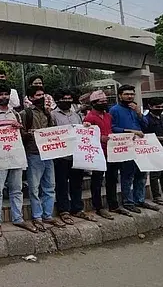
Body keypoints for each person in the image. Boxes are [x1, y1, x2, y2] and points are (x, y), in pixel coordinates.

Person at [0, 82, 37, 236]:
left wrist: (20, 129)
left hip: (15, 157)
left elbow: (22, 135)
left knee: (16, 190)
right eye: (0, 95)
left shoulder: (16, 114)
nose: (4, 97)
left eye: (6, 94)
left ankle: (18, 218)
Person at [20, 86, 65, 231]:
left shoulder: (48, 114)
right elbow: (20, 135)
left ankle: (48, 215)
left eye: (43, 94)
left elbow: (53, 130)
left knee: (50, 186)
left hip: (48, 153)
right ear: (31, 98)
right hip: (33, 153)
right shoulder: (25, 113)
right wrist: (29, 134)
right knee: (34, 187)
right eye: (38, 95)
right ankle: (37, 216)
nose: (41, 97)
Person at [109, 84, 159, 213]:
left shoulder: (135, 109)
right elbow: (112, 128)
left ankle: (139, 200)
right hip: (126, 147)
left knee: (142, 174)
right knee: (127, 176)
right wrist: (129, 131)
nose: (129, 96)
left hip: (140, 146)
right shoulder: (114, 110)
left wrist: (138, 112)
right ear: (120, 96)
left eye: (131, 94)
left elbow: (145, 125)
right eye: (126, 94)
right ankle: (128, 202)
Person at [51, 89, 98, 224]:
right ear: (57, 100)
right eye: (64, 99)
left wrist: (86, 127)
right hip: (61, 156)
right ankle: (64, 210)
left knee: (77, 183)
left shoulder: (75, 115)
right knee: (61, 185)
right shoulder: (52, 115)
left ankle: (77, 208)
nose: (67, 101)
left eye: (69, 99)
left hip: (76, 155)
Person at [83, 90, 127, 218]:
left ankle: (113, 205)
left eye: (105, 101)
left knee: (112, 179)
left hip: (111, 152)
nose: (104, 103)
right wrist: (99, 138)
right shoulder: (89, 118)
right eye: (101, 102)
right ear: (94, 103)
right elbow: (86, 136)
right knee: (97, 181)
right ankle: (98, 207)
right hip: (98, 153)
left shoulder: (108, 116)